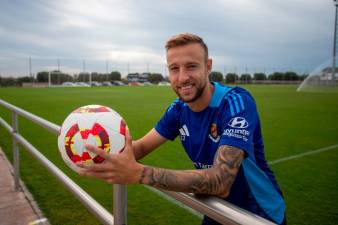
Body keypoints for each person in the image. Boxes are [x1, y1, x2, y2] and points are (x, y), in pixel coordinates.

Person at [76, 33, 286, 225]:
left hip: (257, 214)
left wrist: (139, 173)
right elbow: (138, 148)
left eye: (191, 66)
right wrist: (89, 151)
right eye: (174, 68)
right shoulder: (178, 110)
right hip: (216, 211)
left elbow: (221, 181)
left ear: (208, 66)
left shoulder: (236, 102)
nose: (182, 77)